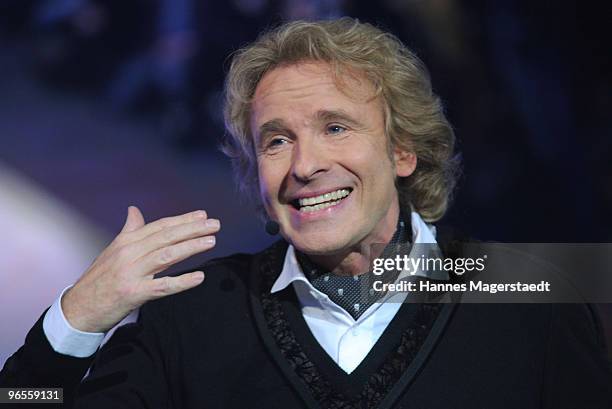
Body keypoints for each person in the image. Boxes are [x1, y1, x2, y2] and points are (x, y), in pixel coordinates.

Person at [1, 18, 611, 409]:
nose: (304, 164)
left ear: (403, 151)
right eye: (275, 140)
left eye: (336, 127)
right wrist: (76, 319)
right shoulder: (191, 313)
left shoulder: (532, 293)